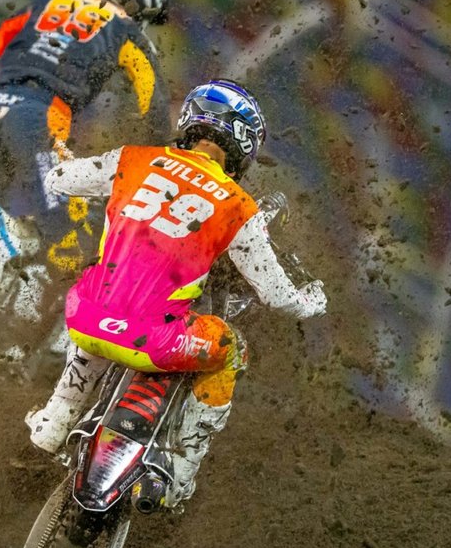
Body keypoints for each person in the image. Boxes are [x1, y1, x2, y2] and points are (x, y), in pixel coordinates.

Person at [24, 79, 327, 502]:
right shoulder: (239, 205)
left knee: (100, 291)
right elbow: (277, 296)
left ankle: (53, 423)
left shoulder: (131, 158)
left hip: (82, 320)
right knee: (232, 349)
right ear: (245, 143)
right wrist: (312, 301)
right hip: (158, 342)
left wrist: (68, 158)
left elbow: (58, 179)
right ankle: (182, 472)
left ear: (190, 119)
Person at [0, 0, 172, 277]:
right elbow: (152, 108)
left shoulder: (45, 5)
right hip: (41, 118)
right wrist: (160, 159)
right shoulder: (126, 30)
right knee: (71, 242)